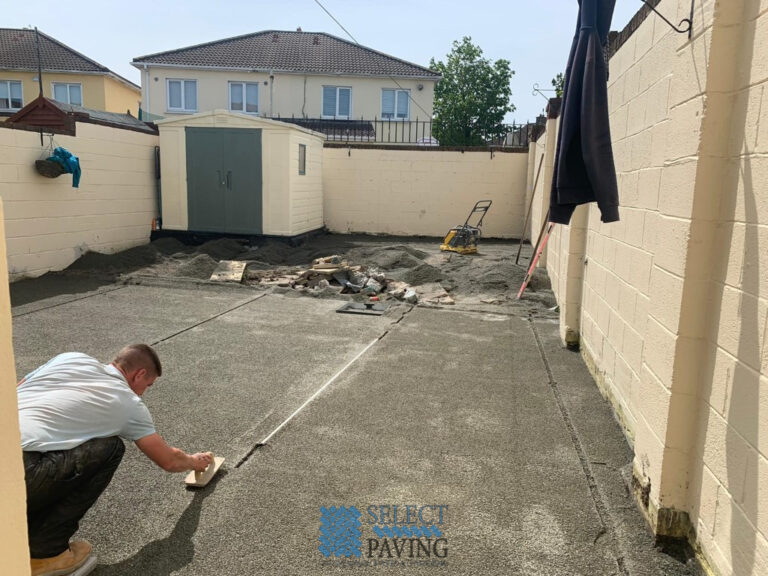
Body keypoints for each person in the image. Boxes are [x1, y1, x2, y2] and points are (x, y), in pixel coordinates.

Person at [17, 344, 213, 576]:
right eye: (147, 386)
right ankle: (45, 554)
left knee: (53, 445)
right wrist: (194, 462)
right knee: (110, 448)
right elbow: (168, 461)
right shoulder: (128, 402)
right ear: (138, 374)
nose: (143, 392)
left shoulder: (70, 359)